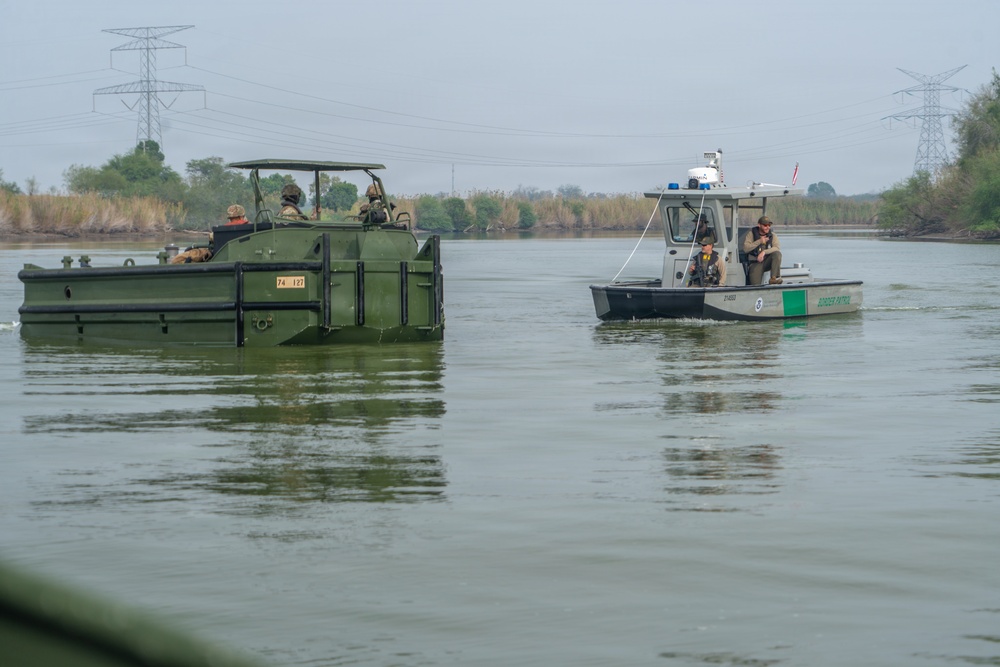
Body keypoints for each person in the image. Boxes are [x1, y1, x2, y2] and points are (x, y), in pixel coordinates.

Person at [742, 215, 782, 285]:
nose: (768, 227)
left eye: (769, 225)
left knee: (777, 254)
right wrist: (759, 241)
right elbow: (746, 248)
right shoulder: (751, 234)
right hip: (755, 263)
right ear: (759, 225)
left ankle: (773, 278)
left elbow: (777, 247)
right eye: (765, 225)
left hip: (766, 261)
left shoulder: (772, 236)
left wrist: (764, 252)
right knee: (755, 286)